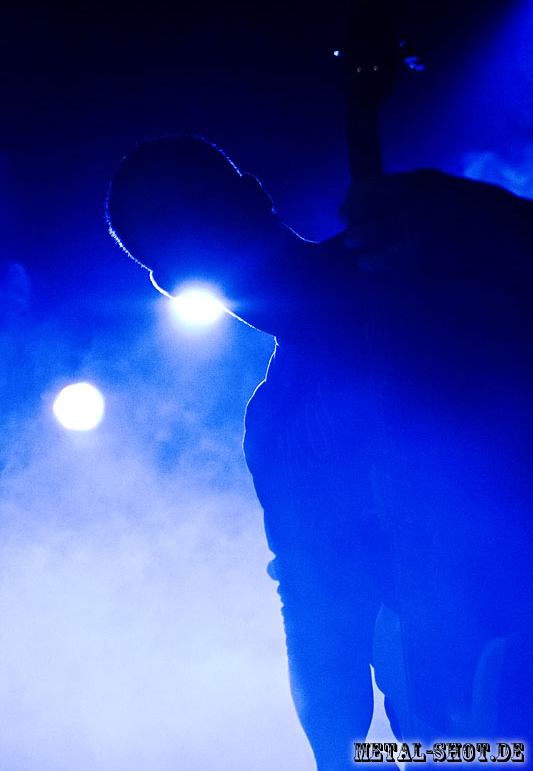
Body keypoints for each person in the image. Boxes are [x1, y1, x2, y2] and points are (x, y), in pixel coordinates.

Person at [106, 135, 533, 769]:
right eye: (168, 225)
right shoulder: (275, 427)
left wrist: (478, 217)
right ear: (170, 283)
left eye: (202, 196)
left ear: (254, 192)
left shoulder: (419, 248)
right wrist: (339, 758)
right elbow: (316, 612)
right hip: (459, 734)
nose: (197, 223)